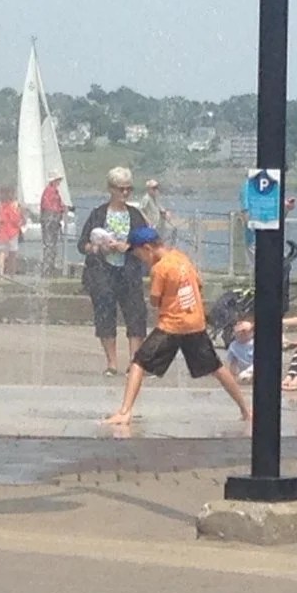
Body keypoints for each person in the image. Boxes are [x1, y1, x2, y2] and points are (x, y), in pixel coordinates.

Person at [102, 226, 251, 426]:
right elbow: (198, 284)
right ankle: (246, 410)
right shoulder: (182, 258)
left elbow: (155, 300)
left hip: (171, 326)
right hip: (195, 324)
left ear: (147, 248)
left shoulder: (159, 268)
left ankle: (125, 412)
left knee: (138, 363)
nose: (141, 261)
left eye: (139, 255)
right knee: (216, 368)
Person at [79, 167, 150, 377]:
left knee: (136, 314)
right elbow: (82, 243)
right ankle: (111, 363)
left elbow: (148, 244)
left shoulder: (136, 215)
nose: (125, 193)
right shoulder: (98, 214)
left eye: (129, 189)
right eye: (121, 189)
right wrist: (97, 248)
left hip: (129, 271)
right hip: (102, 272)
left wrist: (127, 247)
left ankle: (135, 363)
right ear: (111, 189)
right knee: (105, 315)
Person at [39, 170, 68, 277]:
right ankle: (47, 269)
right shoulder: (49, 191)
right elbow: (48, 206)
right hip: (50, 220)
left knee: (51, 245)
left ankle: (49, 267)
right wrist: (60, 210)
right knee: (49, 245)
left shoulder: (53, 191)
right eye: (58, 180)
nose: (59, 182)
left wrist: (62, 208)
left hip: (53, 220)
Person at [0, 186, 24, 276]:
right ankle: (12, 273)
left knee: (1, 252)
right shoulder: (16, 205)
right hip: (13, 231)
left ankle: (1, 272)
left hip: (1, 230)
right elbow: (20, 218)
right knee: (12, 253)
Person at [226, 317, 255, 383]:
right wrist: (232, 376)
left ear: (251, 333)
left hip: (253, 369)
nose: (241, 334)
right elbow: (232, 363)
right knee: (241, 377)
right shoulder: (233, 345)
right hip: (242, 371)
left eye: (244, 332)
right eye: (238, 332)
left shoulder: (254, 344)